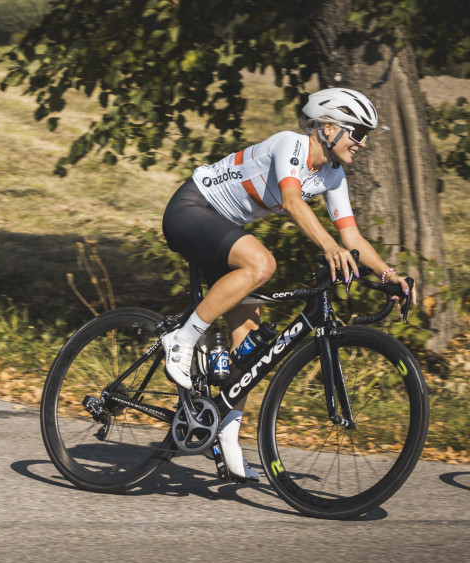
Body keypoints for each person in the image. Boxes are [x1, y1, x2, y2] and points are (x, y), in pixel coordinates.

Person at [159, 87, 417, 482]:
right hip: (193, 209)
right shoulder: (290, 145)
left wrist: (388, 276)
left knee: (248, 351)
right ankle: (182, 339)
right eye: (358, 133)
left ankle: (226, 437)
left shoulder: (333, 175)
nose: (362, 144)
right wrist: (328, 247)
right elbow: (293, 201)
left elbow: (354, 240)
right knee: (262, 263)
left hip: (223, 229)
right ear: (329, 128)